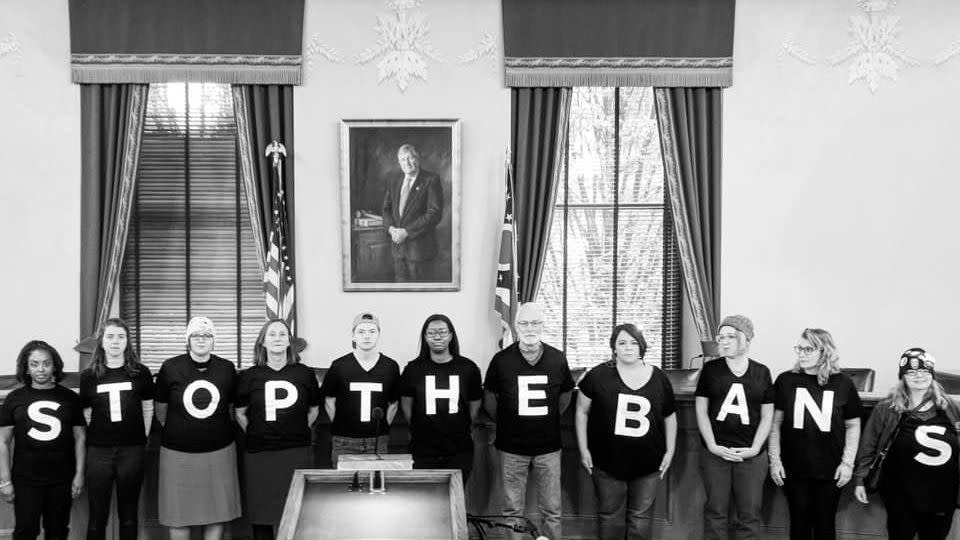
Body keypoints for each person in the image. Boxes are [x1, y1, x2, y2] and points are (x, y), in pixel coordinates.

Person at [575, 323, 677, 540]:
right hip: (607, 463)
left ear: (642, 346)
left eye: (633, 342)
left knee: (640, 520)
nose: (628, 348)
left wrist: (670, 451)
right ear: (614, 348)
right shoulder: (598, 375)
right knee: (610, 518)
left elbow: (669, 416)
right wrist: (583, 448)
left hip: (649, 465)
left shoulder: (659, 378)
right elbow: (582, 411)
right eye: (622, 343)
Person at [483, 302, 575, 540]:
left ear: (543, 325)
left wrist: (548, 419)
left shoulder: (557, 358)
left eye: (535, 323)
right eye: (524, 323)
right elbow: (490, 399)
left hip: (549, 447)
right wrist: (507, 421)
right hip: (511, 447)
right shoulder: (501, 360)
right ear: (515, 326)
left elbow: (564, 397)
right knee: (512, 510)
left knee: (552, 511)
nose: (529, 328)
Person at [853, 348, 960, 540]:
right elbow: (868, 445)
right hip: (900, 493)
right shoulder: (887, 408)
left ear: (932, 375)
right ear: (903, 377)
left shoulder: (949, 406)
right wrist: (860, 479)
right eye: (911, 372)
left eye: (924, 371)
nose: (919, 376)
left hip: (941, 493)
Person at [768, 328, 862, 540]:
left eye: (808, 349)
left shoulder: (843, 383)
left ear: (824, 351)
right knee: (799, 524)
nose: (801, 353)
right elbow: (774, 425)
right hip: (794, 468)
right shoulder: (785, 381)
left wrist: (847, 463)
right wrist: (775, 461)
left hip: (831, 469)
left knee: (825, 524)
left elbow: (853, 425)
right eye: (799, 348)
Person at [154, 317, 240, 540]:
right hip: (177, 455)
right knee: (178, 514)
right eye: (196, 335)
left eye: (207, 335)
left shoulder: (227, 368)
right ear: (187, 340)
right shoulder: (170, 367)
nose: (202, 340)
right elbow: (160, 410)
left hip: (219, 453)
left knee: (216, 513)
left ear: (214, 341)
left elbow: (231, 408)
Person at [236, 319, 321, 540]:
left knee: (297, 511)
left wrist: (295, 429)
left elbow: (313, 410)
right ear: (263, 342)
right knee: (261, 513)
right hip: (259, 453)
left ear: (289, 342)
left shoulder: (304, 373)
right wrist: (259, 431)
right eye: (272, 334)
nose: (277, 339)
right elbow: (240, 413)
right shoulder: (248, 376)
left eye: (282, 334)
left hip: (295, 451)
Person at [694, 315, 774, 540]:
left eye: (731, 336)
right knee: (715, 512)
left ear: (746, 340)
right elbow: (701, 410)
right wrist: (712, 445)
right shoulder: (711, 370)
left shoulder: (762, 372)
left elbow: (768, 415)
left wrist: (756, 448)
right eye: (721, 337)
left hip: (751, 456)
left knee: (749, 515)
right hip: (715, 454)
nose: (724, 342)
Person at [0, 340, 85, 540]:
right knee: (25, 531)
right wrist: (4, 482)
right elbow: (2, 441)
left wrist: (79, 474)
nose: (41, 369)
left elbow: (80, 437)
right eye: (34, 364)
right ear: (26, 368)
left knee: (57, 532)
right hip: (25, 480)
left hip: (62, 480)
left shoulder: (70, 398)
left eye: (46, 363)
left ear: (54, 365)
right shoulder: (14, 398)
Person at [80, 318, 155, 540]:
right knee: (97, 515)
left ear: (127, 342)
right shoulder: (89, 377)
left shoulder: (140, 372)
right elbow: (86, 413)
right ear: (102, 342)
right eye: (110, 336)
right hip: (99, 452)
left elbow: (148, 408)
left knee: (129, 513)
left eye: (121, 337)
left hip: (132, 450)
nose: (115, 342)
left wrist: (140, 438)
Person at [399, 314, 482, 483]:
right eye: (431, 333)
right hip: (423, 447)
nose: (437, 336)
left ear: (451, 335)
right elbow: (407, 407)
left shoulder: (468, 368)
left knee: (455, 496)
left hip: (459, 447)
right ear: (425, 337)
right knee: (424, 498)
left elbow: (474, 405)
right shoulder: (413, 369)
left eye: (442, 332)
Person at [320, 312, 401, 466]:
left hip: (378, 441)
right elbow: (329, 400)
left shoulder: (390, 366)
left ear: (378, 335)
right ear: (353, 336)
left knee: (378, 486)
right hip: (344, 442)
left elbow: (394, 403)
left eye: (372, 331)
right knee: (343, 488)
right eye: (361, 332)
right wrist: (341, 425)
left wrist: (382, 428)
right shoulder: (339, 366)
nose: (367, 336)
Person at [381, 143, 444, 282]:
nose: (407, 163)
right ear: (399, 162)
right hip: (398, 251)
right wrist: (391, 229)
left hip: (420, 253)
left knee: (421, 299)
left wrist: (407, 232)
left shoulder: (431, 180)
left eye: (410, 158)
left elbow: (434, 213)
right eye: (403, 160)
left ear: (417, 158)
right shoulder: (393, 180)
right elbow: (386, 210)